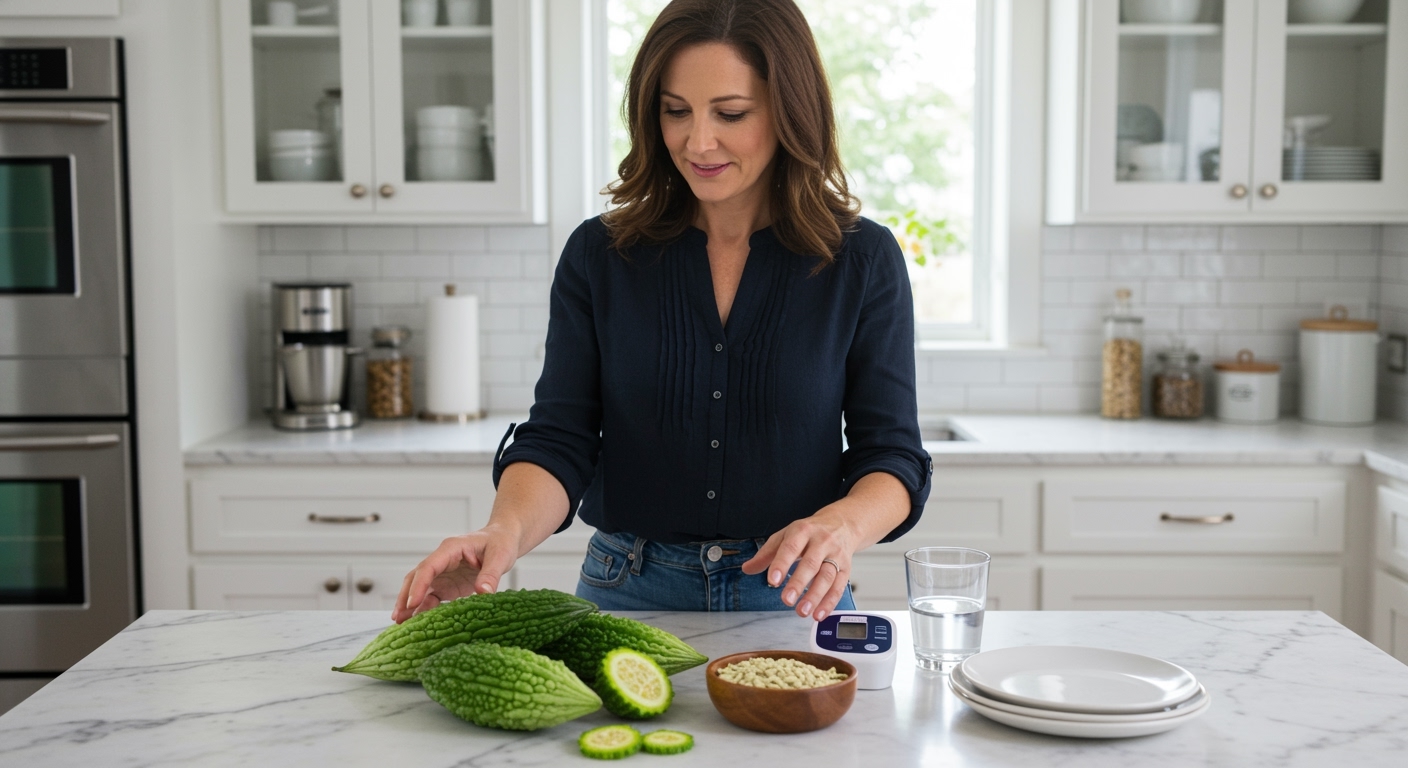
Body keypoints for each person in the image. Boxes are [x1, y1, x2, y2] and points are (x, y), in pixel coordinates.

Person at [393, 0, 931, 625]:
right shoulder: (601, 254)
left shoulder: (862, 260)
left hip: (794, 598)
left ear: (791, 111)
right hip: (625, 592)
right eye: (676, 111)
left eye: (730, 113)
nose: (697, 142)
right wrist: (503, 533)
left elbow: (892, 455)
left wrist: (843, 525)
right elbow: (561, 436)